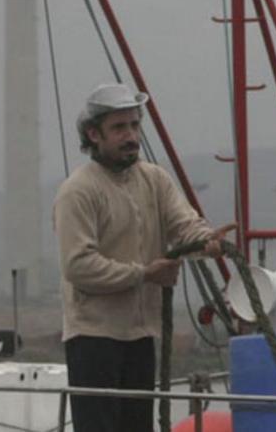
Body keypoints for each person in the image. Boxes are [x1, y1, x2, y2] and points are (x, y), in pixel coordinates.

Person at [53, 83, 232, 432]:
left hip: (139, 335)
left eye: (134, 126)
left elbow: (184, 224)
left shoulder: (154, 180)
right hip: (93, 338)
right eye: (119, 128)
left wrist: (207, 240)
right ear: (94, 134)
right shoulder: (78, 191)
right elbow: (78, 266)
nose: (131, 136)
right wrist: (144, 274)